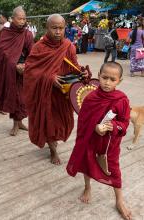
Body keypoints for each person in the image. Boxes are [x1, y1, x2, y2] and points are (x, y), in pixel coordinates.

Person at [66, 62, 132, 220]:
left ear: (119, 81)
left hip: (109, 145)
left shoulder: (121, 100)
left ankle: (119, 200)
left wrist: (113, 126)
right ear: (99, 76)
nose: (107, 82)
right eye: (104, 77)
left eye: (112, 79)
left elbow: (125, 123)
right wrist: (95, 127)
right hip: (90, 141)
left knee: (114, 171)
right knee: (87, 163)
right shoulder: (91, 98)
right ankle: (87, 187)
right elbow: (83, 120)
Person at [24, 14, 89, 165]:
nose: (58, 32)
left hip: (64, 93)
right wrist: (49, 77)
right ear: (47, 28)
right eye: (54, 28)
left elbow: (74, 66)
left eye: (61, 28)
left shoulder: (68, 46)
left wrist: (82, 72)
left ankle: (54, 143)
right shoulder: (38, 47)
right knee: (49, 123)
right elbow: (30, 71)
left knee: (62, 122)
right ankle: (53, 149)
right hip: (46, 94)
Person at [0, 6, 33, 136]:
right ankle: (15, 124)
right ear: (13, 18)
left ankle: (20, 122)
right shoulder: (6, 32)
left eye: (24, 19)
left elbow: (31, 53)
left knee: (22, 99)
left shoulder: (27, 34)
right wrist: (14, 64)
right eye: (19, 18)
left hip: (23, 71)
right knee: (14, 97)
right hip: (10, 71)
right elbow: (2, 52)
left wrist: (26, 65)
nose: (22, 21)